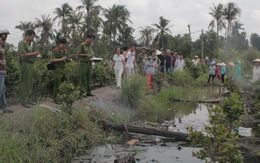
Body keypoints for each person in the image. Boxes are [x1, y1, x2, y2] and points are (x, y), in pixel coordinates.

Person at [18, 29, 42, 108]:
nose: (33, 39)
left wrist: (35, 55)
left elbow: (29, 54)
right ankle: (24, 102)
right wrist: (34, 53)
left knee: (30, 83)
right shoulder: (21, 43)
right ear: (27, 36)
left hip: (31, 65)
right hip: (25, 65)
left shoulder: (29, 44)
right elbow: (22, 54)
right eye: (32, 37)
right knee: (25, 83)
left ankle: (29, 100)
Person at [50, 38, 72, 102]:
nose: (64, 46)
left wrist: (68, 60)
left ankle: (66, 96)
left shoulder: (64, 50)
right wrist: (61, 59)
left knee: (67, 82)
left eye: (65, 45)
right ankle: (55, 98)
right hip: (57, 69)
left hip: (63, 69)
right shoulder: (55, 51)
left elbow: (65, 58)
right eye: (63, 44)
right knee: (57, 84)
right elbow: (52, 60)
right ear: (59, 44)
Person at [0, 26, 14, 114]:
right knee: (0, 91)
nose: (6, 36)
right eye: (5, 35)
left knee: (3, 90)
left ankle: (5, 108)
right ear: (2, 35)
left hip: (2, 71)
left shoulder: (2, 45)